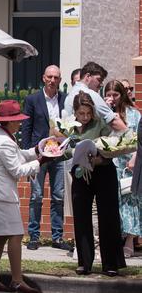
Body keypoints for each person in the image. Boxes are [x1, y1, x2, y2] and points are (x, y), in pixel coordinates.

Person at [0, 100, 44, 293]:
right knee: (15, 234)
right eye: (17, 120)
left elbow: (20, 155)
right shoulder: (4, 140)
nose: (20, 123)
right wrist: (42, 161)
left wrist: (39, 149)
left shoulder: (3, 135)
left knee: (0, 237)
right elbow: (17, 170)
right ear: (8, 122)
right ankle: (17, 280)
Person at [69, 91, 126, 276]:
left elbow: (112, 148)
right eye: (81, 114)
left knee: (108, 216)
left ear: (93, 111)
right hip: (80, 173)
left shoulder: (101, 123)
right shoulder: (69, 125)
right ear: (75, 112)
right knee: (81, 215)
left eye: (88, 113)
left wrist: (97, 159)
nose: (85, 117)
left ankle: (111, 263)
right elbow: (65, 149)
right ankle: (84, 262)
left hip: (103, 172)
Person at [21, 65, 71, 251]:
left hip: (59, 154)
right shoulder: (33, 99)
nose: (52, 80)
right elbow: (26, 127)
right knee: (36, 196)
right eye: (49, 77)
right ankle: (34, 236)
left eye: (56, 77)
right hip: (39, 155)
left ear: (60, 79)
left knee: (58, 196)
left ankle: (57, 237)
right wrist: (28, 153)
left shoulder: (66, 100)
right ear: (43, 78)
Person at [104, 80, 142, 258]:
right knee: (114, 203)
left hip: (129, 163)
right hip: (111, 163)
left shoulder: (134, 114)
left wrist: (136, 157)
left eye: (115, 95)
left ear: (122, 95)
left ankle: (129, 242)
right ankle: (115, 240)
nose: (112, 98)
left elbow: (139, 139)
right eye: (109, 95)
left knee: (131, 202)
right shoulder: (104, 113)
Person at [64, 61, 127, 132]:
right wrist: (131, 136)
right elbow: (114, 121)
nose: (101, 84)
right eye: (99, 80)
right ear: (88, 76)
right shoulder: (91, 94)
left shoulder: (69, 95)